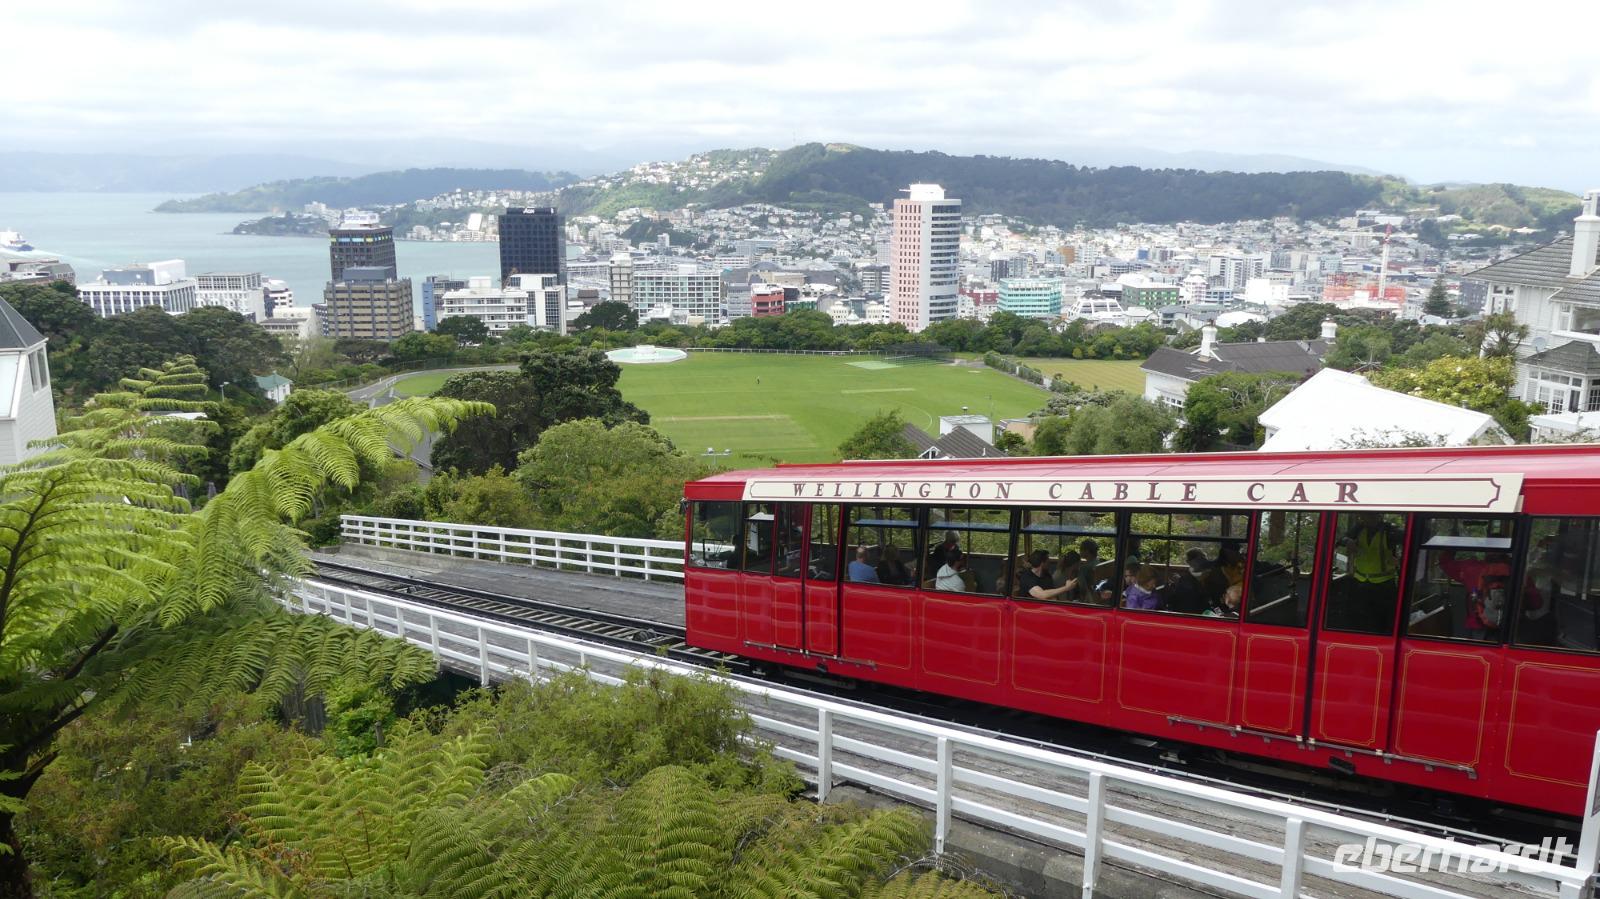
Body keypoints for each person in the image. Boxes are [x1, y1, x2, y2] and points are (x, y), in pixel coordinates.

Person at [1343, 512, 1401, 633]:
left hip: (1384, 584)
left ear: (1379, 516)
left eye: (1371, 515)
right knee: (1360, 619)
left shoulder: (1389, 530)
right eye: (1365, 516)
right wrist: (1347, 541)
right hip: (1361, 581)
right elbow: (1342, 539)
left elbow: (1411, 540)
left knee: (1382, 621)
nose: (1367, 518)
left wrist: (1400, 560)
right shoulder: (1359, 528)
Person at [1436, 550, 1512, 639]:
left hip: (1479, 621)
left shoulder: (1471, 567)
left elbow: (1445, 562)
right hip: (1510, 624)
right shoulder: (1516, 568)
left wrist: (1454, 545)